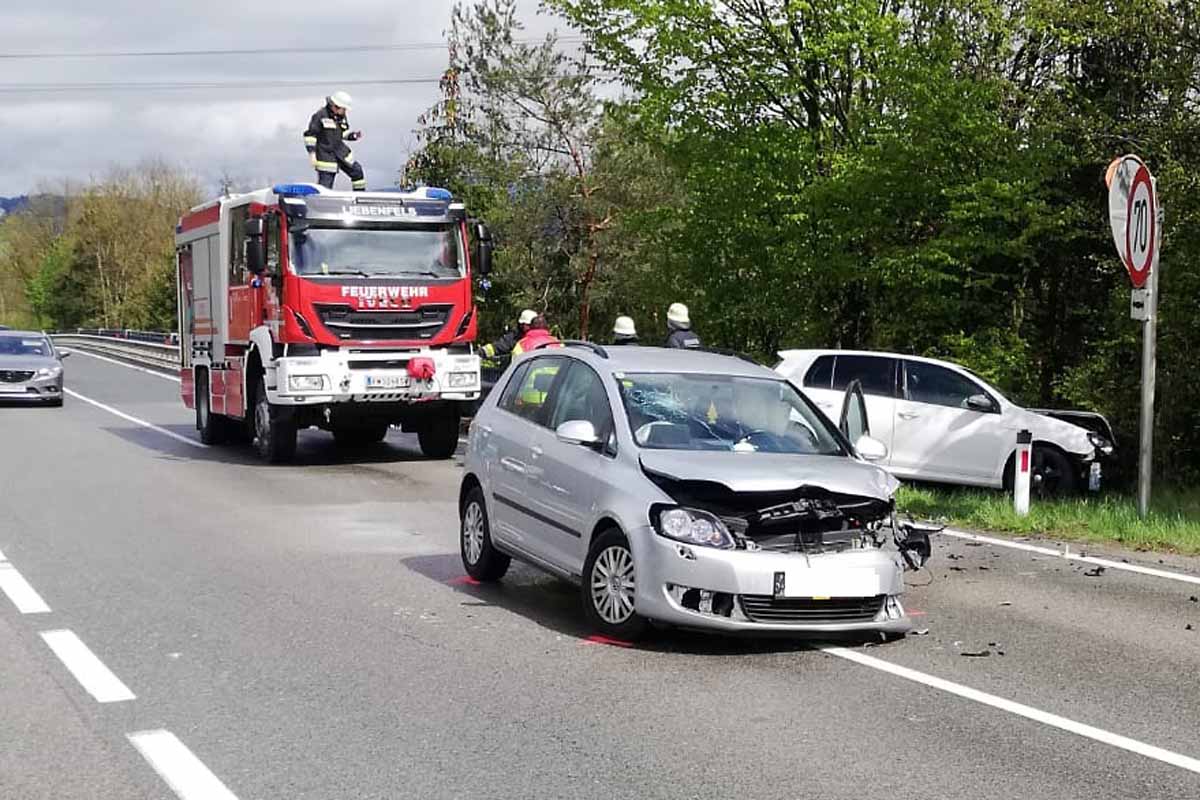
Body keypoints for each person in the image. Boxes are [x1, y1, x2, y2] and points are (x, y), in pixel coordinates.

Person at [303, 91, 366, 191]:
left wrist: (353, 136)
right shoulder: (320, 115)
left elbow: (342, 133)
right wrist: (312, 153)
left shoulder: (341, 116)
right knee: (325, 185)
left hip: (341, 153)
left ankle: (359, 196)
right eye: (343, 109)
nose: (345, 112)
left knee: (357, 171)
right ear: (335, 106)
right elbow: (310, 135)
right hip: (326, 157)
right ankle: (322, 200)